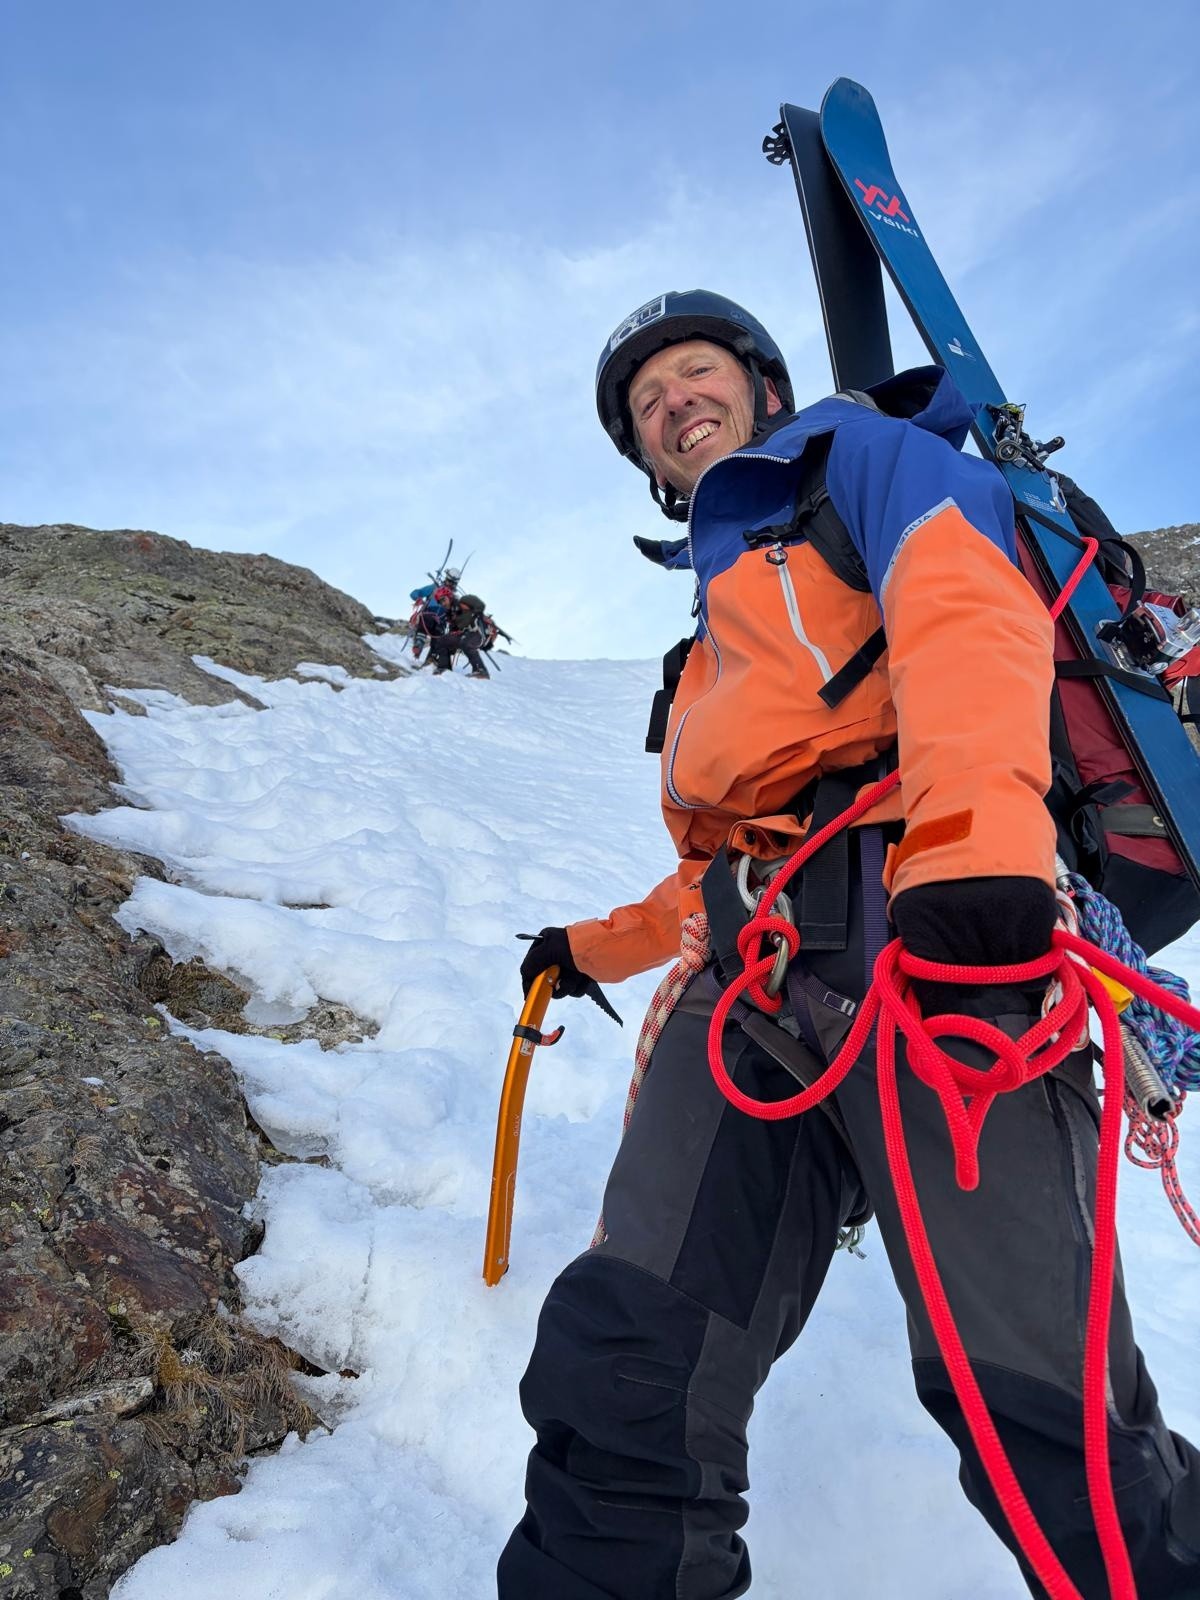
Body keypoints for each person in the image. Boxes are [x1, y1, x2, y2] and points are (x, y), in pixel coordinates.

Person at [498, 291, 1200, 1598]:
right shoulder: (708, 641)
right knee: (626, 1362)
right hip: (752, 985)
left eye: (692, 373)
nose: (673, 404)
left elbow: (966, 614)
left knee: (1045, 1428)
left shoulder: (861, 460)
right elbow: (718, 866)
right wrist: (585, 951)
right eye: (646, 406)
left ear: (762, 386)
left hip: (934, 936)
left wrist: (978, 862)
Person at [429, 590, 491, 678]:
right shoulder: (450, 614)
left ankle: (481, 671)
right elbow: (453, 632)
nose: (442, 603)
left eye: (443, 599)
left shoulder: (463, 601)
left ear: (449, 596)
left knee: (465, 642)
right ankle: (444, 668)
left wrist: (474, 614)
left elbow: (481, 605)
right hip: (464, 635)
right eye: (440, 602)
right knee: (442, 640)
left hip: (478, 632)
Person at [408, 569, 461, 660]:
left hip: (441, 621)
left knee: (439, 636)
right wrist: (418, 598)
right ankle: (419, 644)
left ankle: (432, 658)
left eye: (453, 583)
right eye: (449, 581)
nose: (450, 585)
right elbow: (414, 593)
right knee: (427, 621)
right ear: (446, 578)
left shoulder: (454, 598)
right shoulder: (434, 588)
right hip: (428, 614)